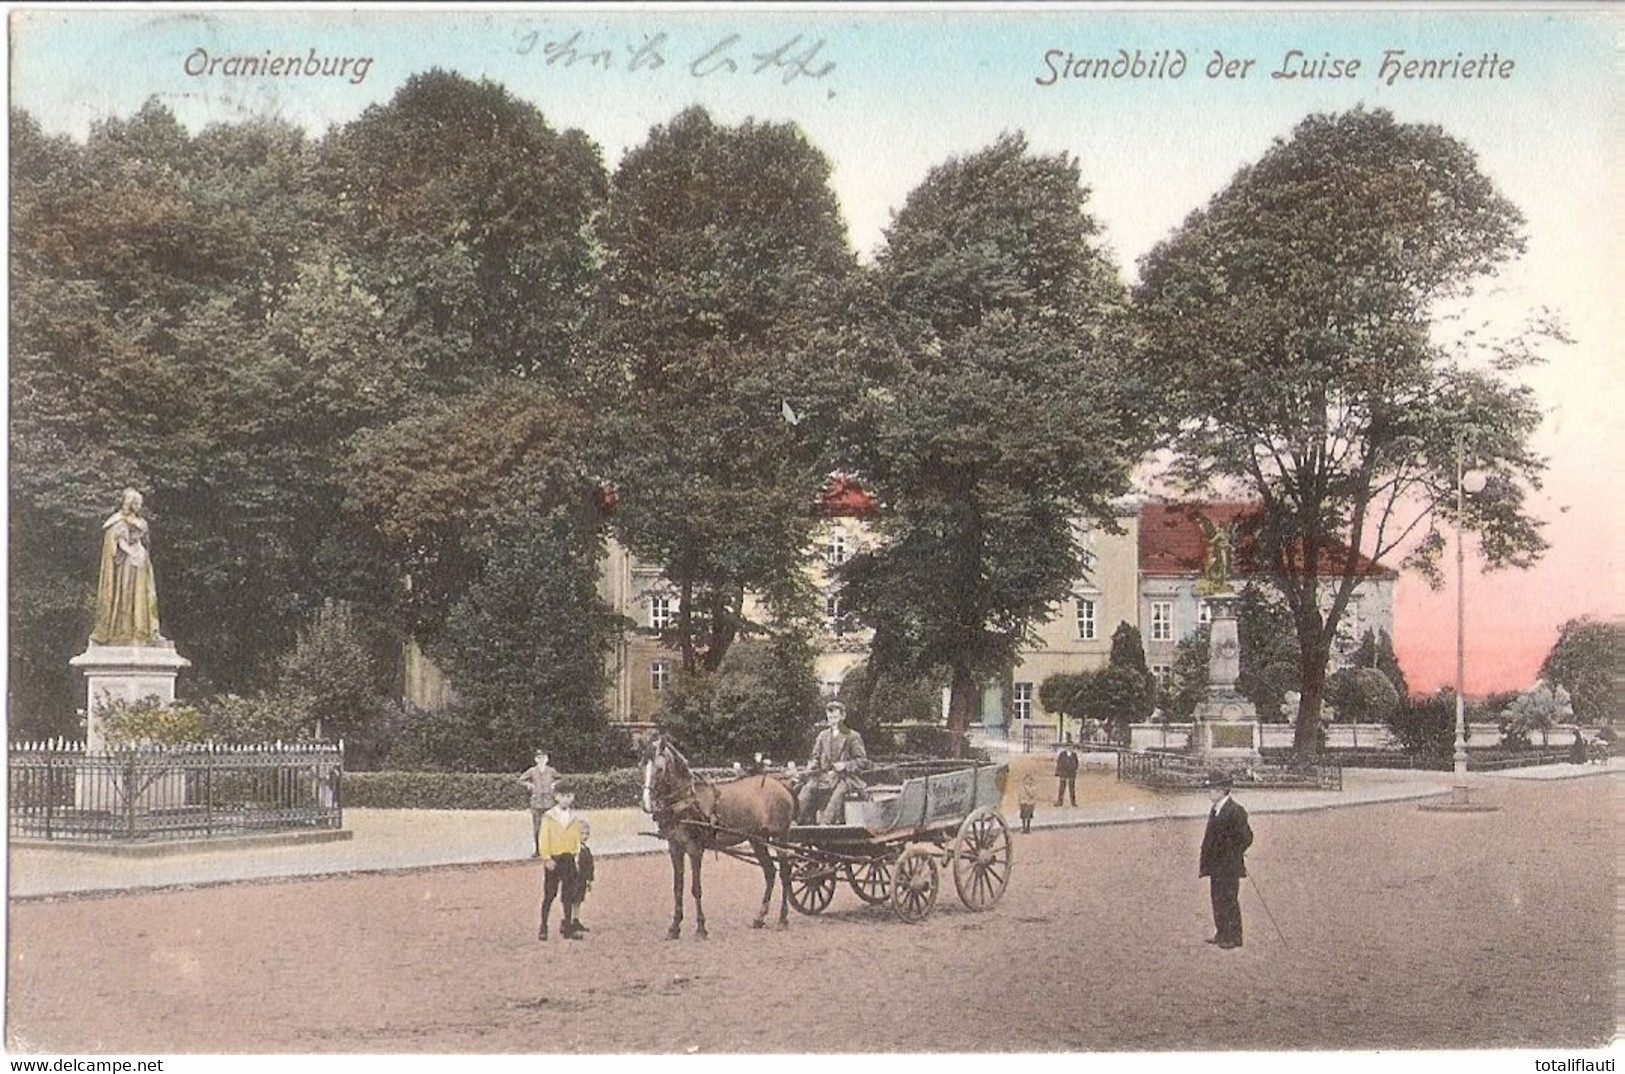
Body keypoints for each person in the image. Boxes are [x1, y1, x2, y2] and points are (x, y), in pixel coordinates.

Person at [90, 488, 164, 645]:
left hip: (142, 561)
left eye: (140, 503)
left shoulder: (141, 522)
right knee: (126, 592)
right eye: (136, 503)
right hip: (128, 563)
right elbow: (119, 542)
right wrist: (132, 554)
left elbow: (145, 542)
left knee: (144, 593)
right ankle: (124, 630)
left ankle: (143, 629)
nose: (139, 506)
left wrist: (140, 552)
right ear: (129, 503)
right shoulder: (118, 521)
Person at [1199, 770, 1253, 950]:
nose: (1210, 792)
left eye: (1212, 789)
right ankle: (1221, 932)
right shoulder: (1215, 809)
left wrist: (1234, 852)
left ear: (1222, 790)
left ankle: (1234, 937)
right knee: (1217, 898)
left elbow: (1246, 837)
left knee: (1229, 899)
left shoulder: (1236, 810)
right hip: (1216, 865)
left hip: (1229, 865)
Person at [797, 701, 869, 824]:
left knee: (839, 792)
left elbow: (862, 761)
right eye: (830, 718)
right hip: (824, 777)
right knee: (807, 788)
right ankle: (798, 822)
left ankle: (826, 824)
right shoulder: (822, 736)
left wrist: (845, 765)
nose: (833, 721)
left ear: (843, 717)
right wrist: (812, 764)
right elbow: (815, 757)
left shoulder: (852, 736)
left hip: (846, 778)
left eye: (835, 717)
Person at [537, 782, 586, 941]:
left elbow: (576, 839)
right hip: (554, 858)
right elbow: (543, 838)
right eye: (563, 796)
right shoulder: (549, 816)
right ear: (556, 797)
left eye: (569, 796)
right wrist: (546, 857)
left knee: (568, 894)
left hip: (568, 858)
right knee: (550, 893)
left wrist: (577, 855)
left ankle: (567, 925)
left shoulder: (575, 817)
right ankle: (543, 925)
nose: (566, 799)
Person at [517, 750, 558, 858]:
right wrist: (529, 785)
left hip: (549, 802)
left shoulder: (551, 771)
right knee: (537, 828)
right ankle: (538, 850)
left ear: (547, 759)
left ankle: (551, 849)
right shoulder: (532, 771)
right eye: (539, 758)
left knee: (550, 827)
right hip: (536, 802)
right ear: (535, 759)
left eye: (543, 758)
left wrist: (554, 784)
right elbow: (520, 780)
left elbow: (561, 779)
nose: (541, 760)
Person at [567, 818, 595, 933]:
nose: (585, 836)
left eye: (587, 833)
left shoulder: (586, 849)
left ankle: (576, 919)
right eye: (582, 833)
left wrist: (589, 879)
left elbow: (590, 866)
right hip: (573, 878)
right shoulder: (572, 848)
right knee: (572, 900)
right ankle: (569, 921)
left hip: (582, 879)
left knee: (578, 900)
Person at [1054, 741, 1079, 807]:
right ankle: (1060, 802)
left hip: (1071, 773)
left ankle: (1073, 802)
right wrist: (1058, 772)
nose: (1070, 748)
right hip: (1063, 773)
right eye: (1068, 746)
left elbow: (1076, 764)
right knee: (1062, 788)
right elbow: (1059, 763)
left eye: (1071, 747)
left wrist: (1074, 770)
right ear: (1066, 747)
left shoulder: (1074, 755)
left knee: (1072, 789)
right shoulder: (1062, 754)